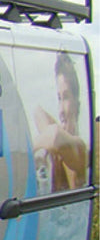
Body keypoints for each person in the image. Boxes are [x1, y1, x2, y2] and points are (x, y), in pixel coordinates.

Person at [32, 52, 87, 192]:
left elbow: (55, 136)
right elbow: (38, 112)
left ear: (77, 104)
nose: (61, 109)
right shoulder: (58, 150)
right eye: (59, 98)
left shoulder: (79, 148)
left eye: (66, 97)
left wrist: (25, 153)